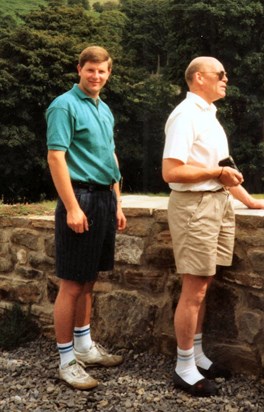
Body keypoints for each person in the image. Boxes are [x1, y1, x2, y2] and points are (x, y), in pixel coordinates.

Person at [162, 56, 264, 397]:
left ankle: (198, 355)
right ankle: (184, 366)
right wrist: (215, 175)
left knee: (203, 283)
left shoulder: (209, 116)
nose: (226, 78)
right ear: (198, 78)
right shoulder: (186, 115)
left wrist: (249, 201)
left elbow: (223, 167)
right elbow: (172, 172)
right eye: (219, 74)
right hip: (195, 208)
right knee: (195, 287)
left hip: (217, 204)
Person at [46, 45, 127, 390]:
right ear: (79, 69)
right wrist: (73, 207)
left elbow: (110, 155)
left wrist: (118, 204)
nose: (96, 76)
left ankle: (84, 346)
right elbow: (55, 158)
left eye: (102, 71)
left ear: (109, 74)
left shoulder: (104, 108)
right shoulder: (63, 106)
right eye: (90, 70)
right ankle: (67, 361)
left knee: (90, 278)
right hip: (80, 197)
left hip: (104, 198)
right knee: (72, 283)